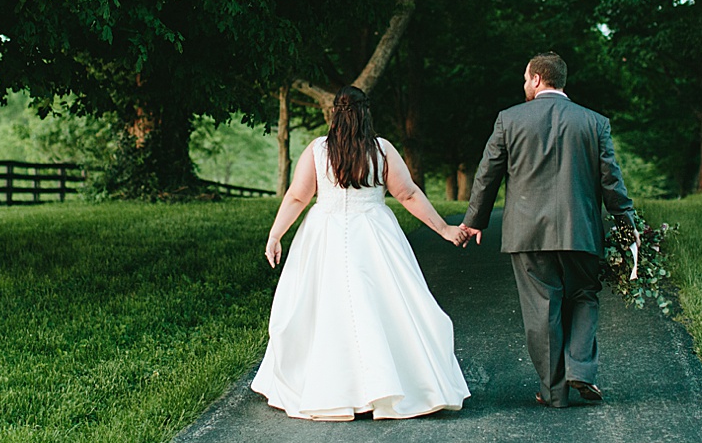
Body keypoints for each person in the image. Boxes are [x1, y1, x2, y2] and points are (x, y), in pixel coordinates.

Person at [252, 86, 471, 420]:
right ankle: (387, 387)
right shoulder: (381, 150)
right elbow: (408, 194)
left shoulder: (318, 150)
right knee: (382, 305)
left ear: (334, 115)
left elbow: (298, 196)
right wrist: (444, 229)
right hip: (374, 232)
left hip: (323, 233)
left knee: (324, 307)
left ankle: (332, 389)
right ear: (367, 113)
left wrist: (275, 234)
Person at [459, 52, 637, 409]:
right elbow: (611, 180)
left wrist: (474, 220)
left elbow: (487, 173)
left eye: (526, 79)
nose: (524, 85)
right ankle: (581, 371)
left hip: (527, 234)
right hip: (581, 230)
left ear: (538, 79)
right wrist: (625, 221)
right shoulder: (594, 122)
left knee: (542, 307)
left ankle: (554, 393)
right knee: (584, 295)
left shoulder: (509, 120)